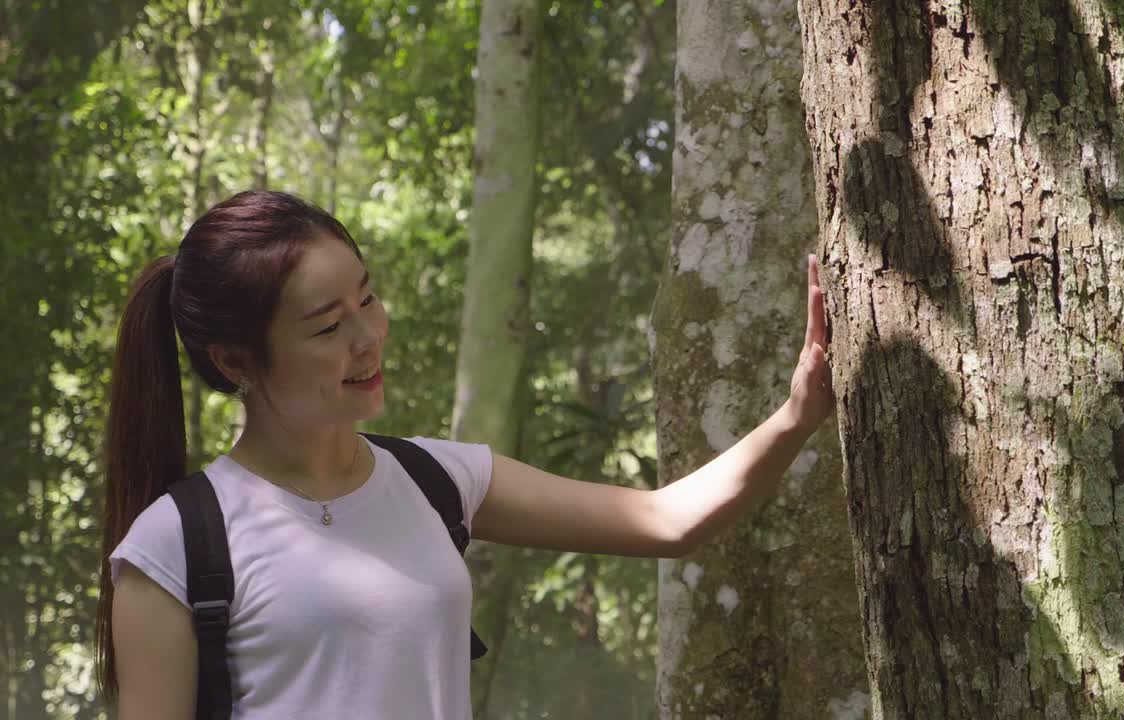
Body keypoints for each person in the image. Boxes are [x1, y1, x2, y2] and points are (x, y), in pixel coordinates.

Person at [96, 190, 833, 719]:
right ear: (236, 362)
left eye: (368, 299)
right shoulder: (175, 545)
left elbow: (666, 520)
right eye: (326, 328)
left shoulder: (435, 479)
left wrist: (799, 412)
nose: (368, 338)